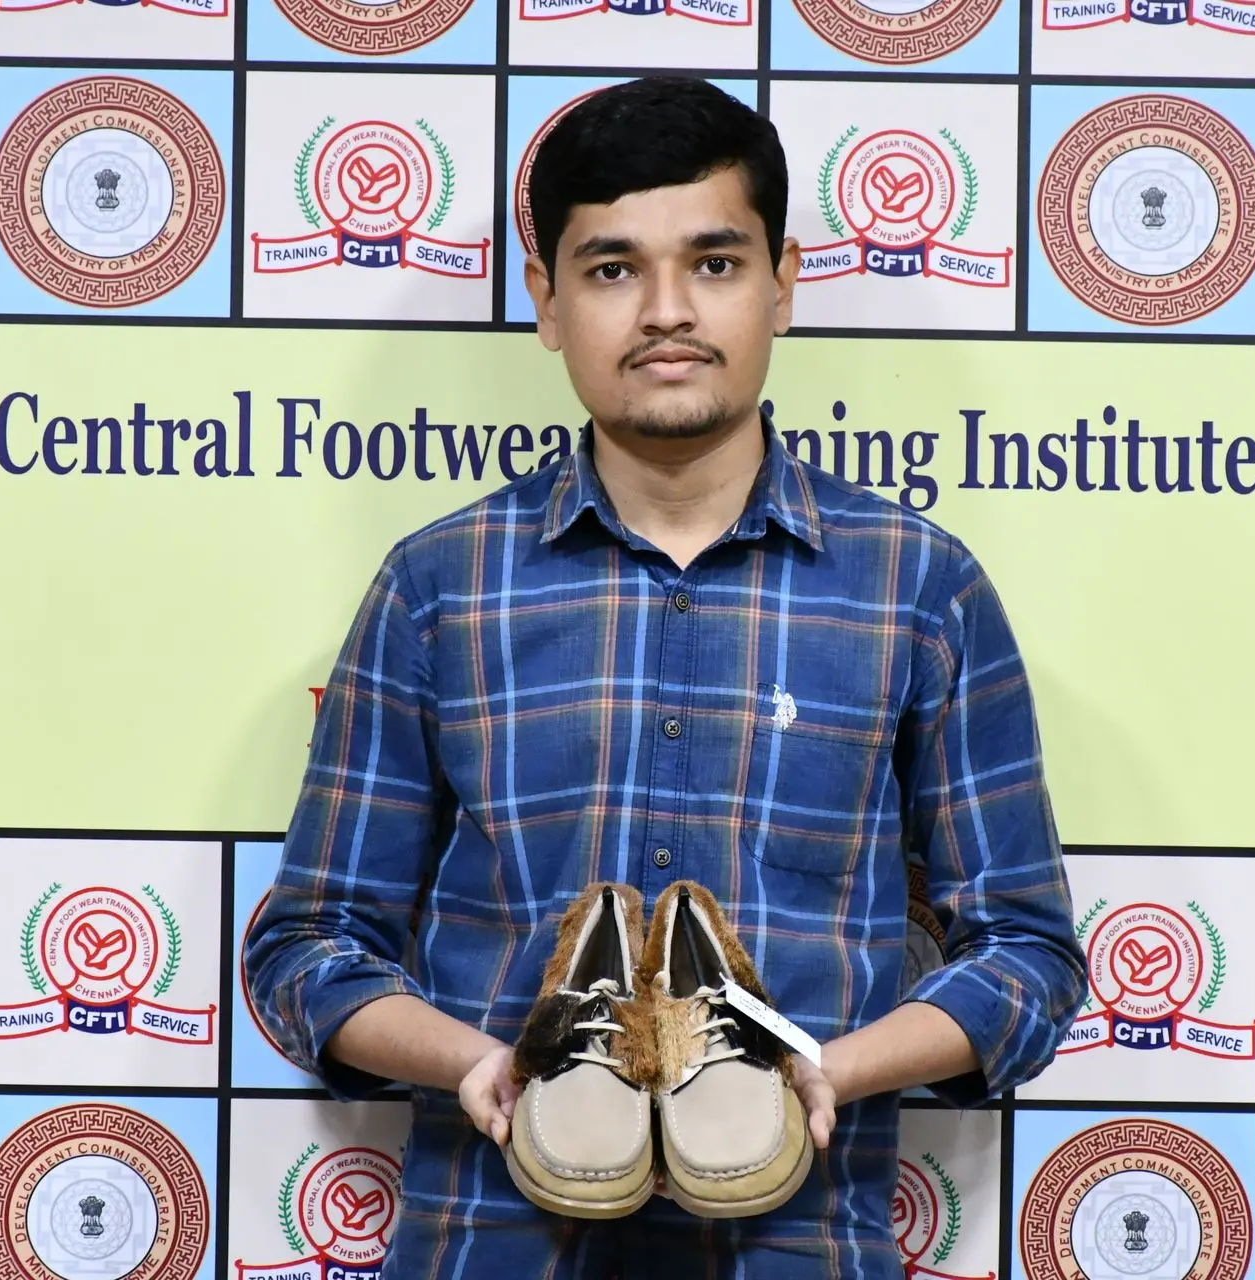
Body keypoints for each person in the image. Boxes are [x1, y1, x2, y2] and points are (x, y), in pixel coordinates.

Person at [244, 75, 1083, 1279]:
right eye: (612, 268)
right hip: (490, 1241)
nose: (668, 310)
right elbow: (308, 946)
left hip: (802, 1243)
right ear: (546, 300)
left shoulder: (919, 585)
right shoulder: (439, 586)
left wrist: (827, 1069)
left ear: (783, 282)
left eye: (715, 262)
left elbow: (1027, 955)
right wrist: (479, 1062)